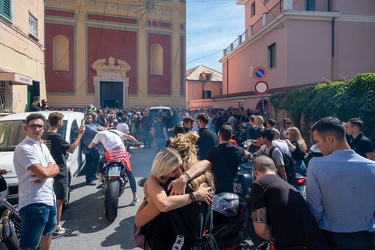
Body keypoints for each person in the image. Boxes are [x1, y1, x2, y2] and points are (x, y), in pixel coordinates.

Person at [135, 135, 216, 250]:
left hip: (161, 244)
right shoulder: (203, 178)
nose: (180, 172)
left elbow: (139, 220)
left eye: (181, 167)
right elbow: (207, 163)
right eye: (174, 170)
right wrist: (149, 198)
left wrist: (184, 178)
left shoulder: (171, 187)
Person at [306, 116, 375, 249]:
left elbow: (315, 209)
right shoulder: (372, 166)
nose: (317, 146)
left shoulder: (316, 164)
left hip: (330, 238)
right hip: (364, 238)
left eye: (317, 141)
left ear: (330, 139)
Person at [250, 156, 330, 250]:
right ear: (276, 171)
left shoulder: (259, 184)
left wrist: (273, 238)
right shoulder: (289, 186)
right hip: (314, 243)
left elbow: (261, 230)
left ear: (255, 171)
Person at [13, 113, 60, 250]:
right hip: (34, 202)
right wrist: (46, 172)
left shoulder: (42, 146)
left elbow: (56, 168)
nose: (36, 129)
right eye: (33, 126)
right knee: (29, 245)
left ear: (44, 128)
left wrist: (45, 173)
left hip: (49, 199)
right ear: (26, 128)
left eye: (39, 126)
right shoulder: (24, 148)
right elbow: (44, 172)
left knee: (48, 234)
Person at [42, 112, 85, 238]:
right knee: (59, 200)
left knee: (51, 199)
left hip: (48, 170)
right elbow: (71, 149)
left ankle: (50, 225)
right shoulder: (55, 137)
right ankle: (56, 227)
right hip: (59, 172)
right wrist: (79, 135)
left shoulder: (44, 135)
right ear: (59, 122)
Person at [88, 130, 139, 205]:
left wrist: (90, 145)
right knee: (129, 172)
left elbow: (90, 146)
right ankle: (135, 197)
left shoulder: (99, 134)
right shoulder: (115, 132)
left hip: (111, 154)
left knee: (100, 162)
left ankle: (101, 179)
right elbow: (129, 137)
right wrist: (135, 141)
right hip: (122, 153)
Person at [206, 124, 252, 194]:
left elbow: (207, 167)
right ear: (231, 136)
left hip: (217, 187)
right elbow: (249, 155)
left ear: (219, 135)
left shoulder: (212, 151)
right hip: (232, 187)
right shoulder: (237, 150)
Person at [81, 112, 101, 185]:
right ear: (84, 119)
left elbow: (101, 129)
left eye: (90, 118)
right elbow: (97, 132)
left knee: (96, 163)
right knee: (90, 165)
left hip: (95, 148)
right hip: (89, 149)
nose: (89, 119)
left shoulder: (92, 124)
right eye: (87, 118)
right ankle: (89, 180)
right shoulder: (86, 126)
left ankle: (93, 175)